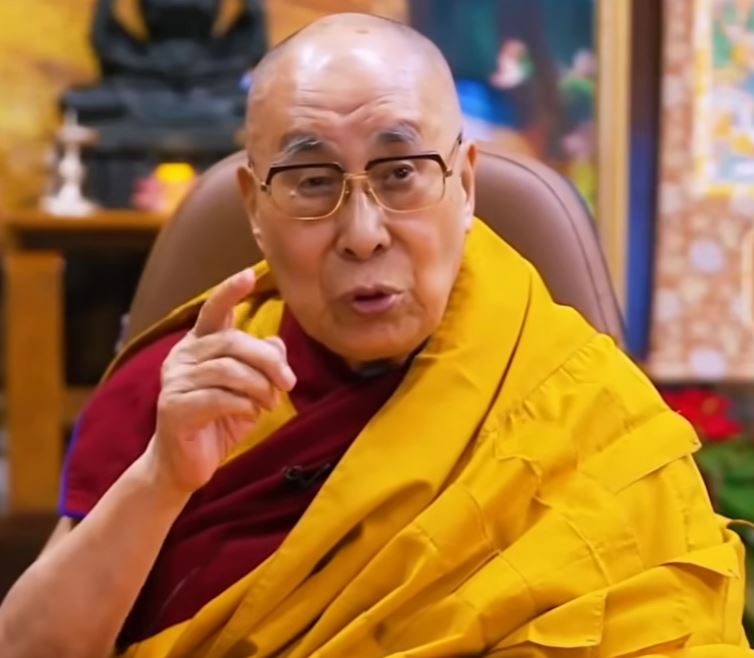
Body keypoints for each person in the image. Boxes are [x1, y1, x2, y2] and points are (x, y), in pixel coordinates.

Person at [1, 12, 752, 658]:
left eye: (400, 173)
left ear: (465, 184)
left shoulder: (582, 406)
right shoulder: (183, 391)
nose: (363, 234)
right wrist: (160, 480)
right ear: (254, 206)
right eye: (312, 181)